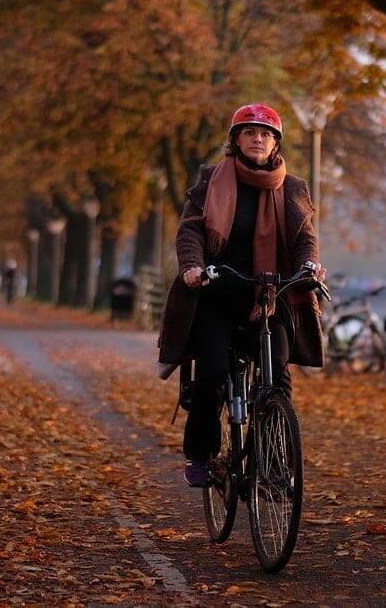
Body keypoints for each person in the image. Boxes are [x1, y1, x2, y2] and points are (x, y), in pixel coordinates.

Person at [157, 103, 326, 488]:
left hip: (270, 295)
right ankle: (201, 453)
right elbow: (192, 231)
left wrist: (310, 265)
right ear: (235, 139)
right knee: (213, 372)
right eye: (249, 132)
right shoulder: (211, 180)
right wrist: (192, 266)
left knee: (277, 378)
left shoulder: (292, 187)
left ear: (275, 143)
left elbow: (304, 238)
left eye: (265, 134)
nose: (258, 139)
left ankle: (273, 465)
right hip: (220, 290)